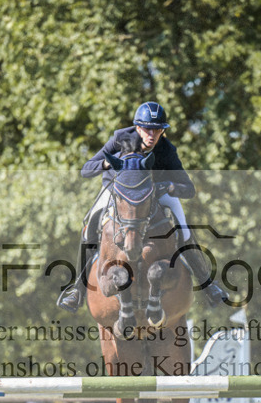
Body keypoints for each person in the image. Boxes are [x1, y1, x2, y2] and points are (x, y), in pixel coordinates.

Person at [57, 101, 228, 312]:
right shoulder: (121, 139)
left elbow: (189, 189)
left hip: (155, 194)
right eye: (147, 128)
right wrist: (107, 163)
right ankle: (77, 291)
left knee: (183, 230)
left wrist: (171, 186)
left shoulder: (166, 150)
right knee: (91, 224)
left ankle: (208, 285)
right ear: (138, 127)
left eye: (157, 130)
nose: (152, 134)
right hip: (118, 193)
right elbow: (86, 169)